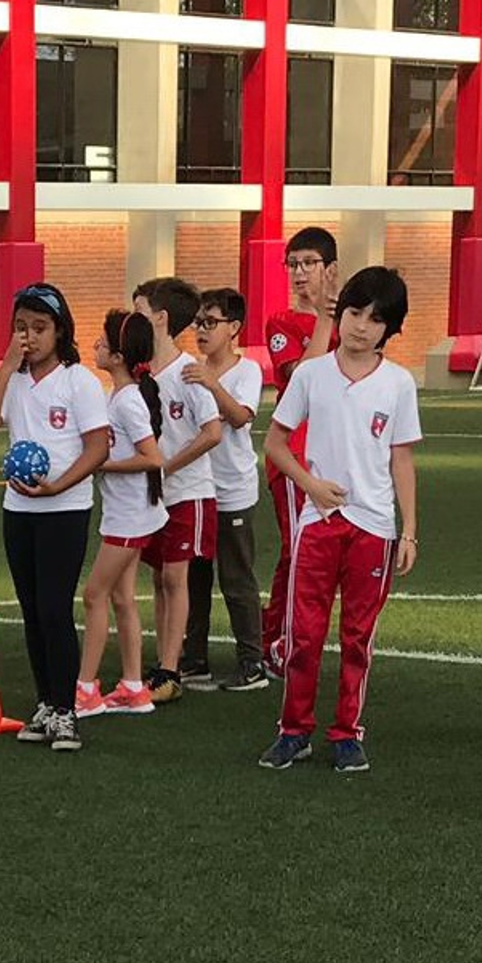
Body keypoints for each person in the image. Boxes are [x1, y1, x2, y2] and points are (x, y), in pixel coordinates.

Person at [258, 267, 421, 775]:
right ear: (340, 313)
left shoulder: (398, 383)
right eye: (354, 313)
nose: (361, 327)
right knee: (304, 635)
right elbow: (275, 442)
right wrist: (310, 486)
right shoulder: (311, 375)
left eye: (376, 320)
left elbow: (401, 459)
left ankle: (347, 732)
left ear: (390, 329)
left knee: (358, 637)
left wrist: (408, 530)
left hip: (374, 527)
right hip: (318, 521)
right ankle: (293, 731)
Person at [0, 282, 110, 753]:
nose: (29, 336)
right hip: (19, 510)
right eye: (21, 327)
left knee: (54, 608)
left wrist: (60, 485)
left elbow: (98, 447)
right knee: (31, 611)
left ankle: (67, 710)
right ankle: (46, 703)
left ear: (60, 331)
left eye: (39, 327)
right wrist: (8, 364)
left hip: (64, 510)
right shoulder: (14, 379)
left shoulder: (79, 381)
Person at [131, 276, 224, 702]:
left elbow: (211, 433)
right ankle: (163, 660)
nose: (132, 321)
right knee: (159, 576)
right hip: (157, 493)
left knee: (175, 575)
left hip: (189, 490)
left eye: (138, 312)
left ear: (161, 318)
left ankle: (171, 669)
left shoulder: (188, 372)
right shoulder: (141, 372)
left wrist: (167, 465)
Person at [177, 287, 270, 692]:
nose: (201, 330)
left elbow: (240, 418)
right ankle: (194, 659)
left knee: (236, 579)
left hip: (232, 490)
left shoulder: (245, 371)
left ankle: (252, 662)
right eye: (198, 322)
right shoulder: (193, 368)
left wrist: (212, 384)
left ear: (233, 328)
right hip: (198, 491)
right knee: (194, 579)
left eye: (210, 322)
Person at [76, 310, 167, 720]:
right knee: (121, 597)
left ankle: (86, 690)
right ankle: (133, 687)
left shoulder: (128, 400)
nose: (95, 345)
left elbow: (153, 458)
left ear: (118, 355)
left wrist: (102, 465)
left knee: (93, 595)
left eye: (102, 340)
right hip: (128, 513)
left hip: (129, 517)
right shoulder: (119, 395)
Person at [261, 227, 342, 672]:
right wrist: (327, 320)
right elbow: (304, 377)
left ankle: (274, 634)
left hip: (337, 455)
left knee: (314, 555)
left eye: (308, 263)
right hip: (294, 457)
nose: (298, 273)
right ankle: (283, 644)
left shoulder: (352, 323)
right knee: (300, 552)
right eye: (292, 264)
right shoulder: (282, 324)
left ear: (330, 268)